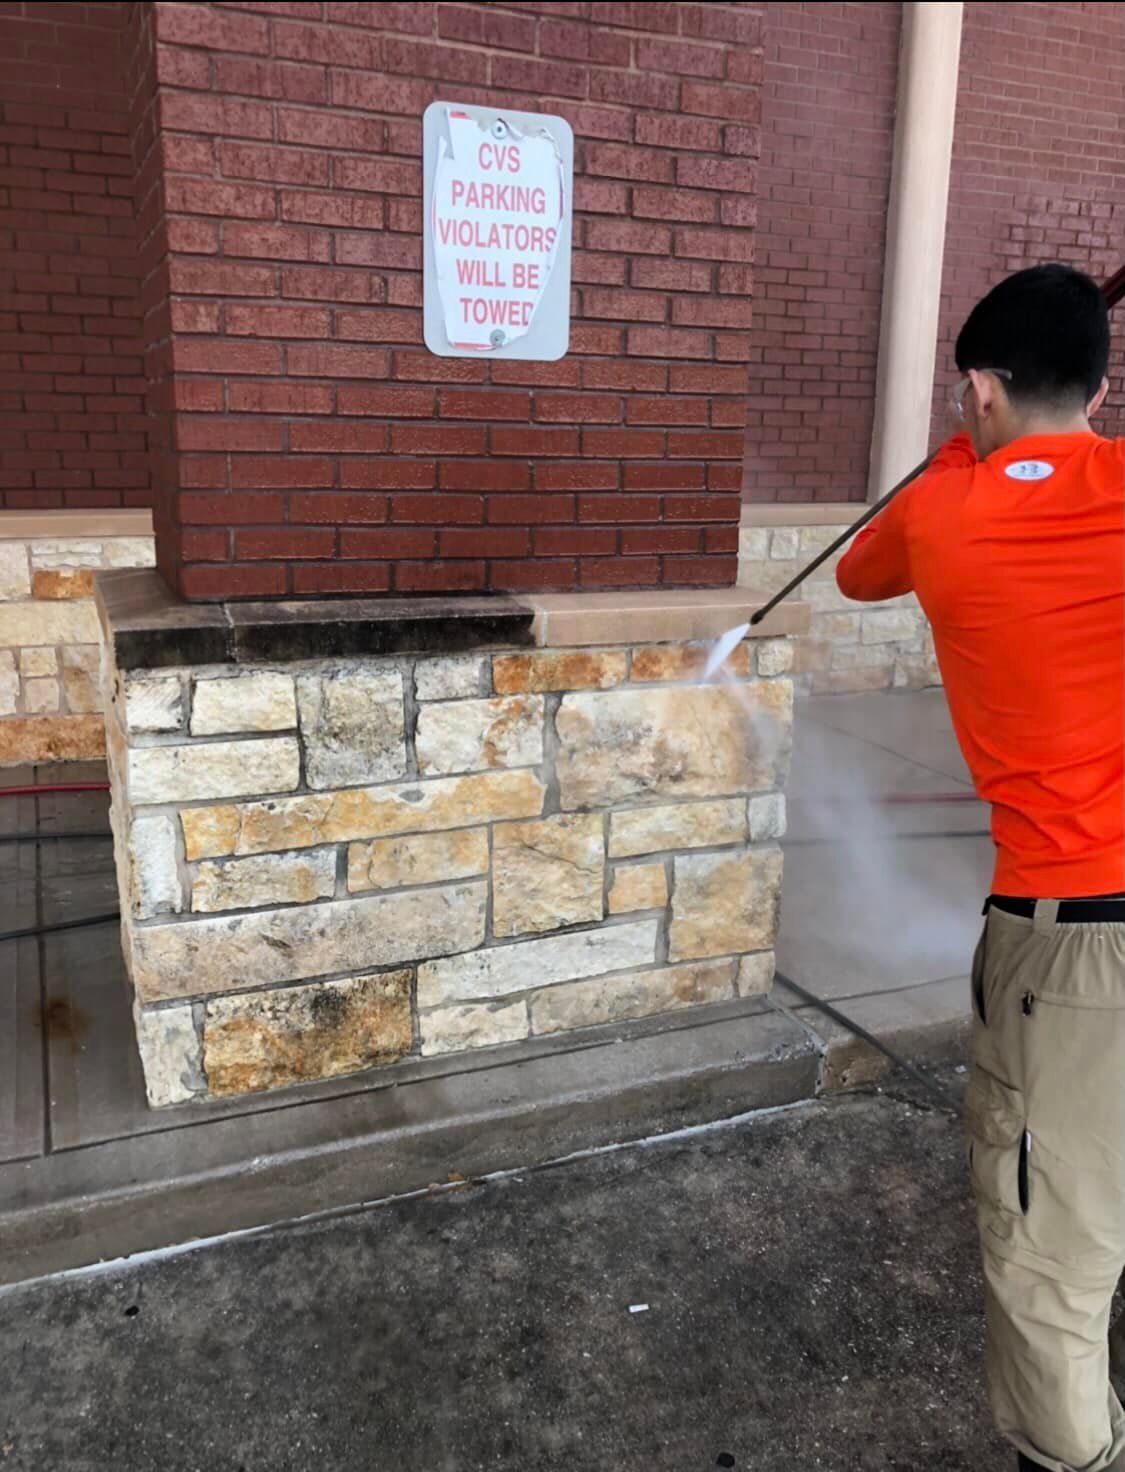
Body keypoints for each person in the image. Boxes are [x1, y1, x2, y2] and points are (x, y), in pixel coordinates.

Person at [836, 263, 1125, 1472]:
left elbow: (857, 571)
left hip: (1073, 946)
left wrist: (964, 452)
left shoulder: (944, 514)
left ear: (979, 389)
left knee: (1050, 1248)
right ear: (1099, 392)